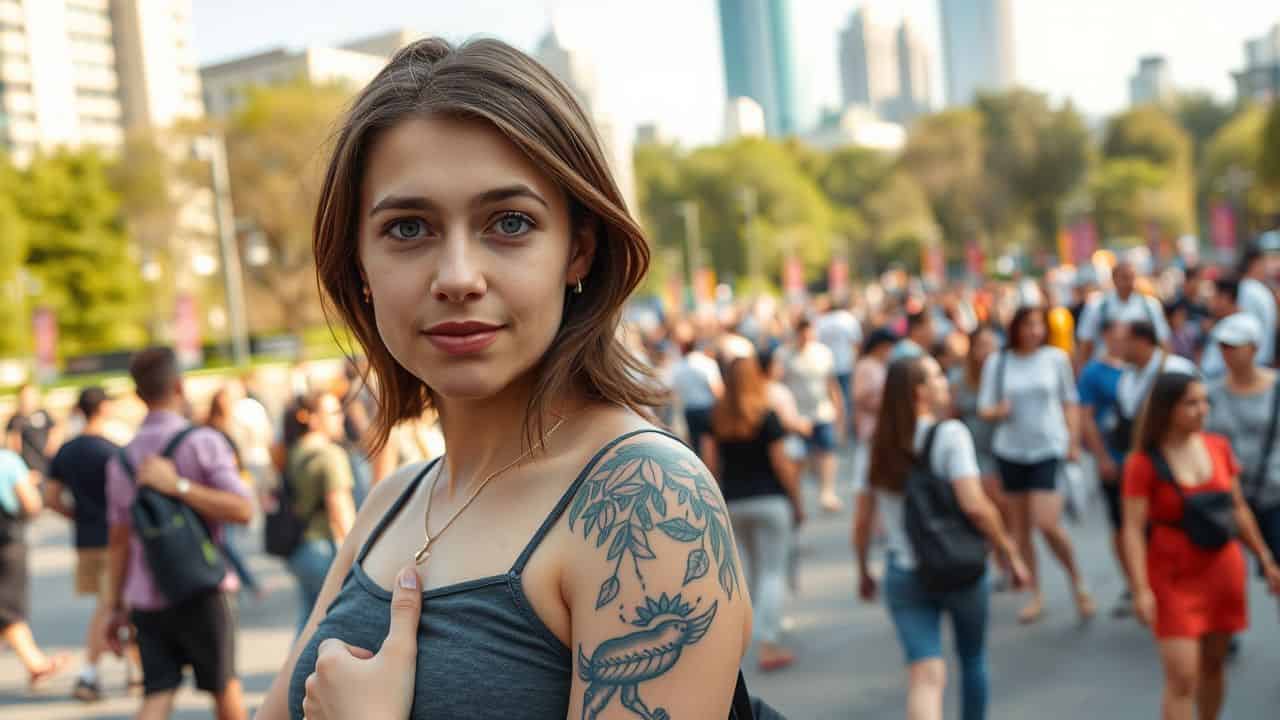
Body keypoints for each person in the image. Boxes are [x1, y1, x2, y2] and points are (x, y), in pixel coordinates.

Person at [257, 38, 749, 720]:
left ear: (578, 249)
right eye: (408, 228)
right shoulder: (393, 500)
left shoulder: (650, 503)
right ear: (359, 266)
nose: (458, 276)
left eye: (510, 223)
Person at [854, 355, 1028, 720]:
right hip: (959, 565)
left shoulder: (874, 446)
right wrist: (1008, 551)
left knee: (925, 674)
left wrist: (862, 570)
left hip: (903, 571)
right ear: (919, 392)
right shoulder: (950, 435)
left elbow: (862, 520)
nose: (944, 381)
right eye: (936, 376)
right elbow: (976, 506)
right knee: (973, 660)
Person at [103, 347, 254, 720]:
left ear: (138, 395)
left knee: (156, 694)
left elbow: (119, 541)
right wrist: (180, 486)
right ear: (180, 386)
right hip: (203, 587)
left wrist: (114, 606)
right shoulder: (202, 442)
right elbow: (242, 509)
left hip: (147, 595)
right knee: (224, 689)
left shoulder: (122, 460)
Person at [1122, 372, 1280, 720]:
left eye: (1204, 401)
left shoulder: (1218, 447)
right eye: (1191, 403)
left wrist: (1266, 559)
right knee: (1181, 678)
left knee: (1212, 668)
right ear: (1167, 409)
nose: (1202, 410)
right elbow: (1132, 530)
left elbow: (1238, 509)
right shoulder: (1143, 463)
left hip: (1222, 571)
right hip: (1173, 575)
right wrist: (1140, 588)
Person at [978, 305, 1094, 624]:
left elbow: (1070, 401)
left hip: (1047, 447)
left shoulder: (1055, 359)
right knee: (1020, 528)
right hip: (1011, 450)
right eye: (1027, 325)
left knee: (1047, 523)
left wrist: (1072, 441)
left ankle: (1077, 581)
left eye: (1037, 326)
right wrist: (997, 411)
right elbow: (984, 407)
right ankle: (1035, 593)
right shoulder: (998, 362)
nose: (1033, 332)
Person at [700, 356, 803, 672]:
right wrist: (796, 499)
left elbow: (709, 463)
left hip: (733, 502)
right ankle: (768, 642)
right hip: (770, 499)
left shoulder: (715, 417)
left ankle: (750, 633)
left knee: (749, 570)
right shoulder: (767, 416)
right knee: (772, 570)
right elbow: (781, 463)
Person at [44, 387, 128, 701]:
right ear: (103, 408)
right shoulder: (112, 451)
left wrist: (76, 515)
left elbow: (51, 498)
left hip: (86, 538)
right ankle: (88, 674)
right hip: (115, 538)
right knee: (111, 606)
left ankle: (136, 668)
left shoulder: (66, 451)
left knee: (111, 604)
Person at [1204, 313, 1280, 577]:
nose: (1229, 353)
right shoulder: (1209, 393)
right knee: (1225, 574)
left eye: (1235, 346)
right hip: (1229, 497)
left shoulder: (1276, 387)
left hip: (1274, 494)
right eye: (1224, 346)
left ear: (1254, 347)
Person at [282, 390, 357, 633]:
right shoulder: (330, 454)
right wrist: (356, 555)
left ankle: (295, 670)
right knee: (334, 624)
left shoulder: (295, 450)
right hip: (324, 547)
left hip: (301, 547)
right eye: (333, 412)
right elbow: (340, 509)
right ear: (312, 418)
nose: (340, 417)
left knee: (309, 623)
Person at [1076, 320, 1134, 615]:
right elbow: (1086, 418)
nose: (1122, 342)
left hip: (1143, 462)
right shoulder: (1094, 373)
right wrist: (1101, 457)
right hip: (1114, 458)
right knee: (1121, 524)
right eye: (1116, 335)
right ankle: (1133, 583)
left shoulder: (1140, 367)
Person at [0, 447, 72, 688]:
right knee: (8, 607)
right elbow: (31, 504)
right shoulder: (7, 460)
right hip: (7, 542)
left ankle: (35, 662)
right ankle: (35, 663)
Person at [950, 327, 1007, 581]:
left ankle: (1008, 551)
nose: (987, 352)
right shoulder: (960, 380)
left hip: (1006, 448)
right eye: (982, 345)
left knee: (1006, 507)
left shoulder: (1006, 375)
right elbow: (953, 416)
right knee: (990, 502)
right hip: (976, 451)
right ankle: (1001, 557)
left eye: (992, 345)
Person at [779, 317, 845, 512]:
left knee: (827, 452)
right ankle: (799, 496)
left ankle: (827, 492)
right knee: (800, 457)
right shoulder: (784, 355)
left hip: (822, 412)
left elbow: (831, 383)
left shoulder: (823, 353)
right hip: (798, 415)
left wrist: (839, 410)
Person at [206, 386, 264, 599]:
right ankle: (246, 582)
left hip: (234, 488)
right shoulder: (213, 431)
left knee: (225, 542)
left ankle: (242, 582)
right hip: (223, 493)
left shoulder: (227, 428)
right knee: (225, 542)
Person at [1115, 321, 1198, 459]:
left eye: (1124, 341)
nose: (1118, 347)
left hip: (1176, 458)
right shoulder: (1127, 375)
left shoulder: (1176, 369)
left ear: (1141, 342)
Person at [1076, 261, 1170, 363]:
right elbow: (1085, 343)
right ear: (1114, 279)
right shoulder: (1097, 306)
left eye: (1132, 278)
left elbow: (1163, 340)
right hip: (1106, 370)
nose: (1130, 282)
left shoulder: (1150, 305)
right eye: (1125, 278)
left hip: (1140, 370)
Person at [669, 320, 725, 456]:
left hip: (691, 411)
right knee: (712, 449)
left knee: (698, 448)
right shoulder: (707, 363)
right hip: (707, 409)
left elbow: (674, 392)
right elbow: (718, 390)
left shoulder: (677, 367)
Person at [853, 328, 897, 494]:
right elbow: (860, 396)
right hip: (870, 425)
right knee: (865, 471)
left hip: (879, 425)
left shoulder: (879, 365)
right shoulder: (866, 365)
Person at [816, 298, 863, 438]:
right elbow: (856, 342)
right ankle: (844, 430)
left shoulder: (823, 321)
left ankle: (836, 429)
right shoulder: (848, 319)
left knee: (831, 398)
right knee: (845, 398)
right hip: (845, 364)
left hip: (827, 365)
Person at [6, 383, 60, 481]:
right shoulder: (16, 419)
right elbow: (13, 447)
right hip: (29, 468)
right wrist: (23, 469)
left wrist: (52, 450)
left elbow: (55, 431)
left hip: (46, 465)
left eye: (32, 395)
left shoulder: (43, 414)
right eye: (26, 396)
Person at [1237, 245, 1277, 367]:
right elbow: (1246, 327)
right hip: (1254, 361)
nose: (1267, 266)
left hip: (1262, 360)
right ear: (1255, 263)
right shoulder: (1247, 289)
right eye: (1265, 262)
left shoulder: (1257, 288)